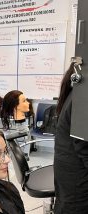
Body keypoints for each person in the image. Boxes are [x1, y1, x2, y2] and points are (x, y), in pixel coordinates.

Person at [54, 62, 88, 213]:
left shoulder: (77, 93)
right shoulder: (82, 98)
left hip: (68, 170)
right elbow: (84, 146)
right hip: (76, 178)